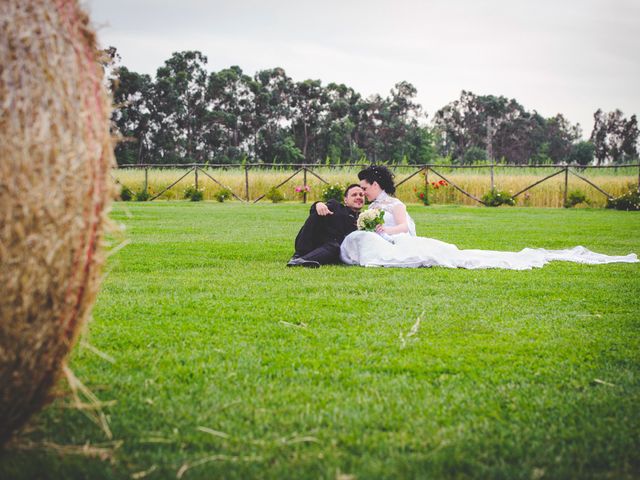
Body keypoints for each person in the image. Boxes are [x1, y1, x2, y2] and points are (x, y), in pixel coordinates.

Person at [340, 165, 639, 269]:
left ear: (376, 185)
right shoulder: (372, 206)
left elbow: (404, 226)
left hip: (397, 240)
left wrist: (385, 231)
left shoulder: (393, 203)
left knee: (447, 255)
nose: (363, 192)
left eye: (365, 187)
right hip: (384, 240)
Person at [287, 184, 365, 267]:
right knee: (317, 213)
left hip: (332, 249)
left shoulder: (364, 219)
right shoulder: (336, 206)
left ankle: (301, 261)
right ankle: (298, 255)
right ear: (345, 200)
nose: (358, 197)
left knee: (335, 248)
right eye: (354, 195)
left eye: (361, 195)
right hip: (312, 243)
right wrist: (318, 204)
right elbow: (316, 212)